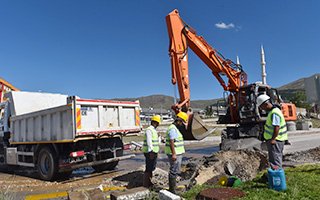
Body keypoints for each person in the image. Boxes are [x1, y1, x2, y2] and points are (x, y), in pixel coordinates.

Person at [257, 94, 288, 170]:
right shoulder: (274, 111)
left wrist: (273, 139)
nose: (262, 109)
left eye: (261, 107)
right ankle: (276, 176)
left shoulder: (274, 113)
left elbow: (276, 127)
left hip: (276, 140)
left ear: (266, 104)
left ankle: (277, 178)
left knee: (275, 160)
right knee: (275, 158)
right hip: (277, 139)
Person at [165, 111, 188, 194]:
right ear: (179, 121)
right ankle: (172, 190)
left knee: (174, 170)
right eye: (182, 122)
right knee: (173, 171)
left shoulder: (175, 129)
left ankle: (173, 187)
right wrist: (174, 154)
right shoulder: (172, 129)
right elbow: (172, 141)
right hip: (175, 154)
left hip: (177, 153)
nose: (182, 124)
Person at [142, 115, 161, 188]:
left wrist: (159, 137)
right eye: (158, 123)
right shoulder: (149, 130)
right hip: (150, 152)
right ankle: (146, 184)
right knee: (149, 168)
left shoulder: (153, 130)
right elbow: (149, 141)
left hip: (154, 152)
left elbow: (156, 142)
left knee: (151, 168)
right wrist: (151, 152)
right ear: (156, 122)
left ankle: (149, 182)